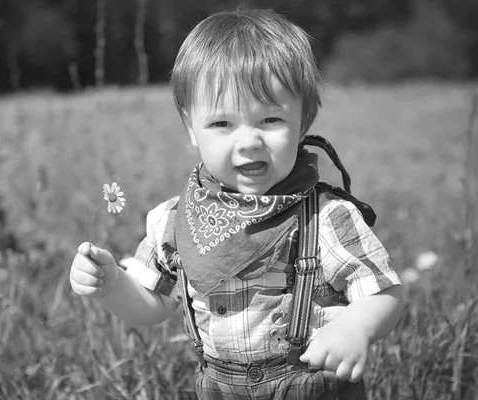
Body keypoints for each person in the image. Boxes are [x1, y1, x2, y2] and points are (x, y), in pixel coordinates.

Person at [70, 8, 404, 399]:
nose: (248, 142)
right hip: (218, 388)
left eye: (269, 121)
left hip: (310, 383)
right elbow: (153, 305)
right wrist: (112, 286)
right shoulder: (176, 221)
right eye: (222, 124)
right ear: (190, 126)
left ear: (304, 120)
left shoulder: (325, 216)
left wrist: (356, 327)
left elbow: (384, 292)